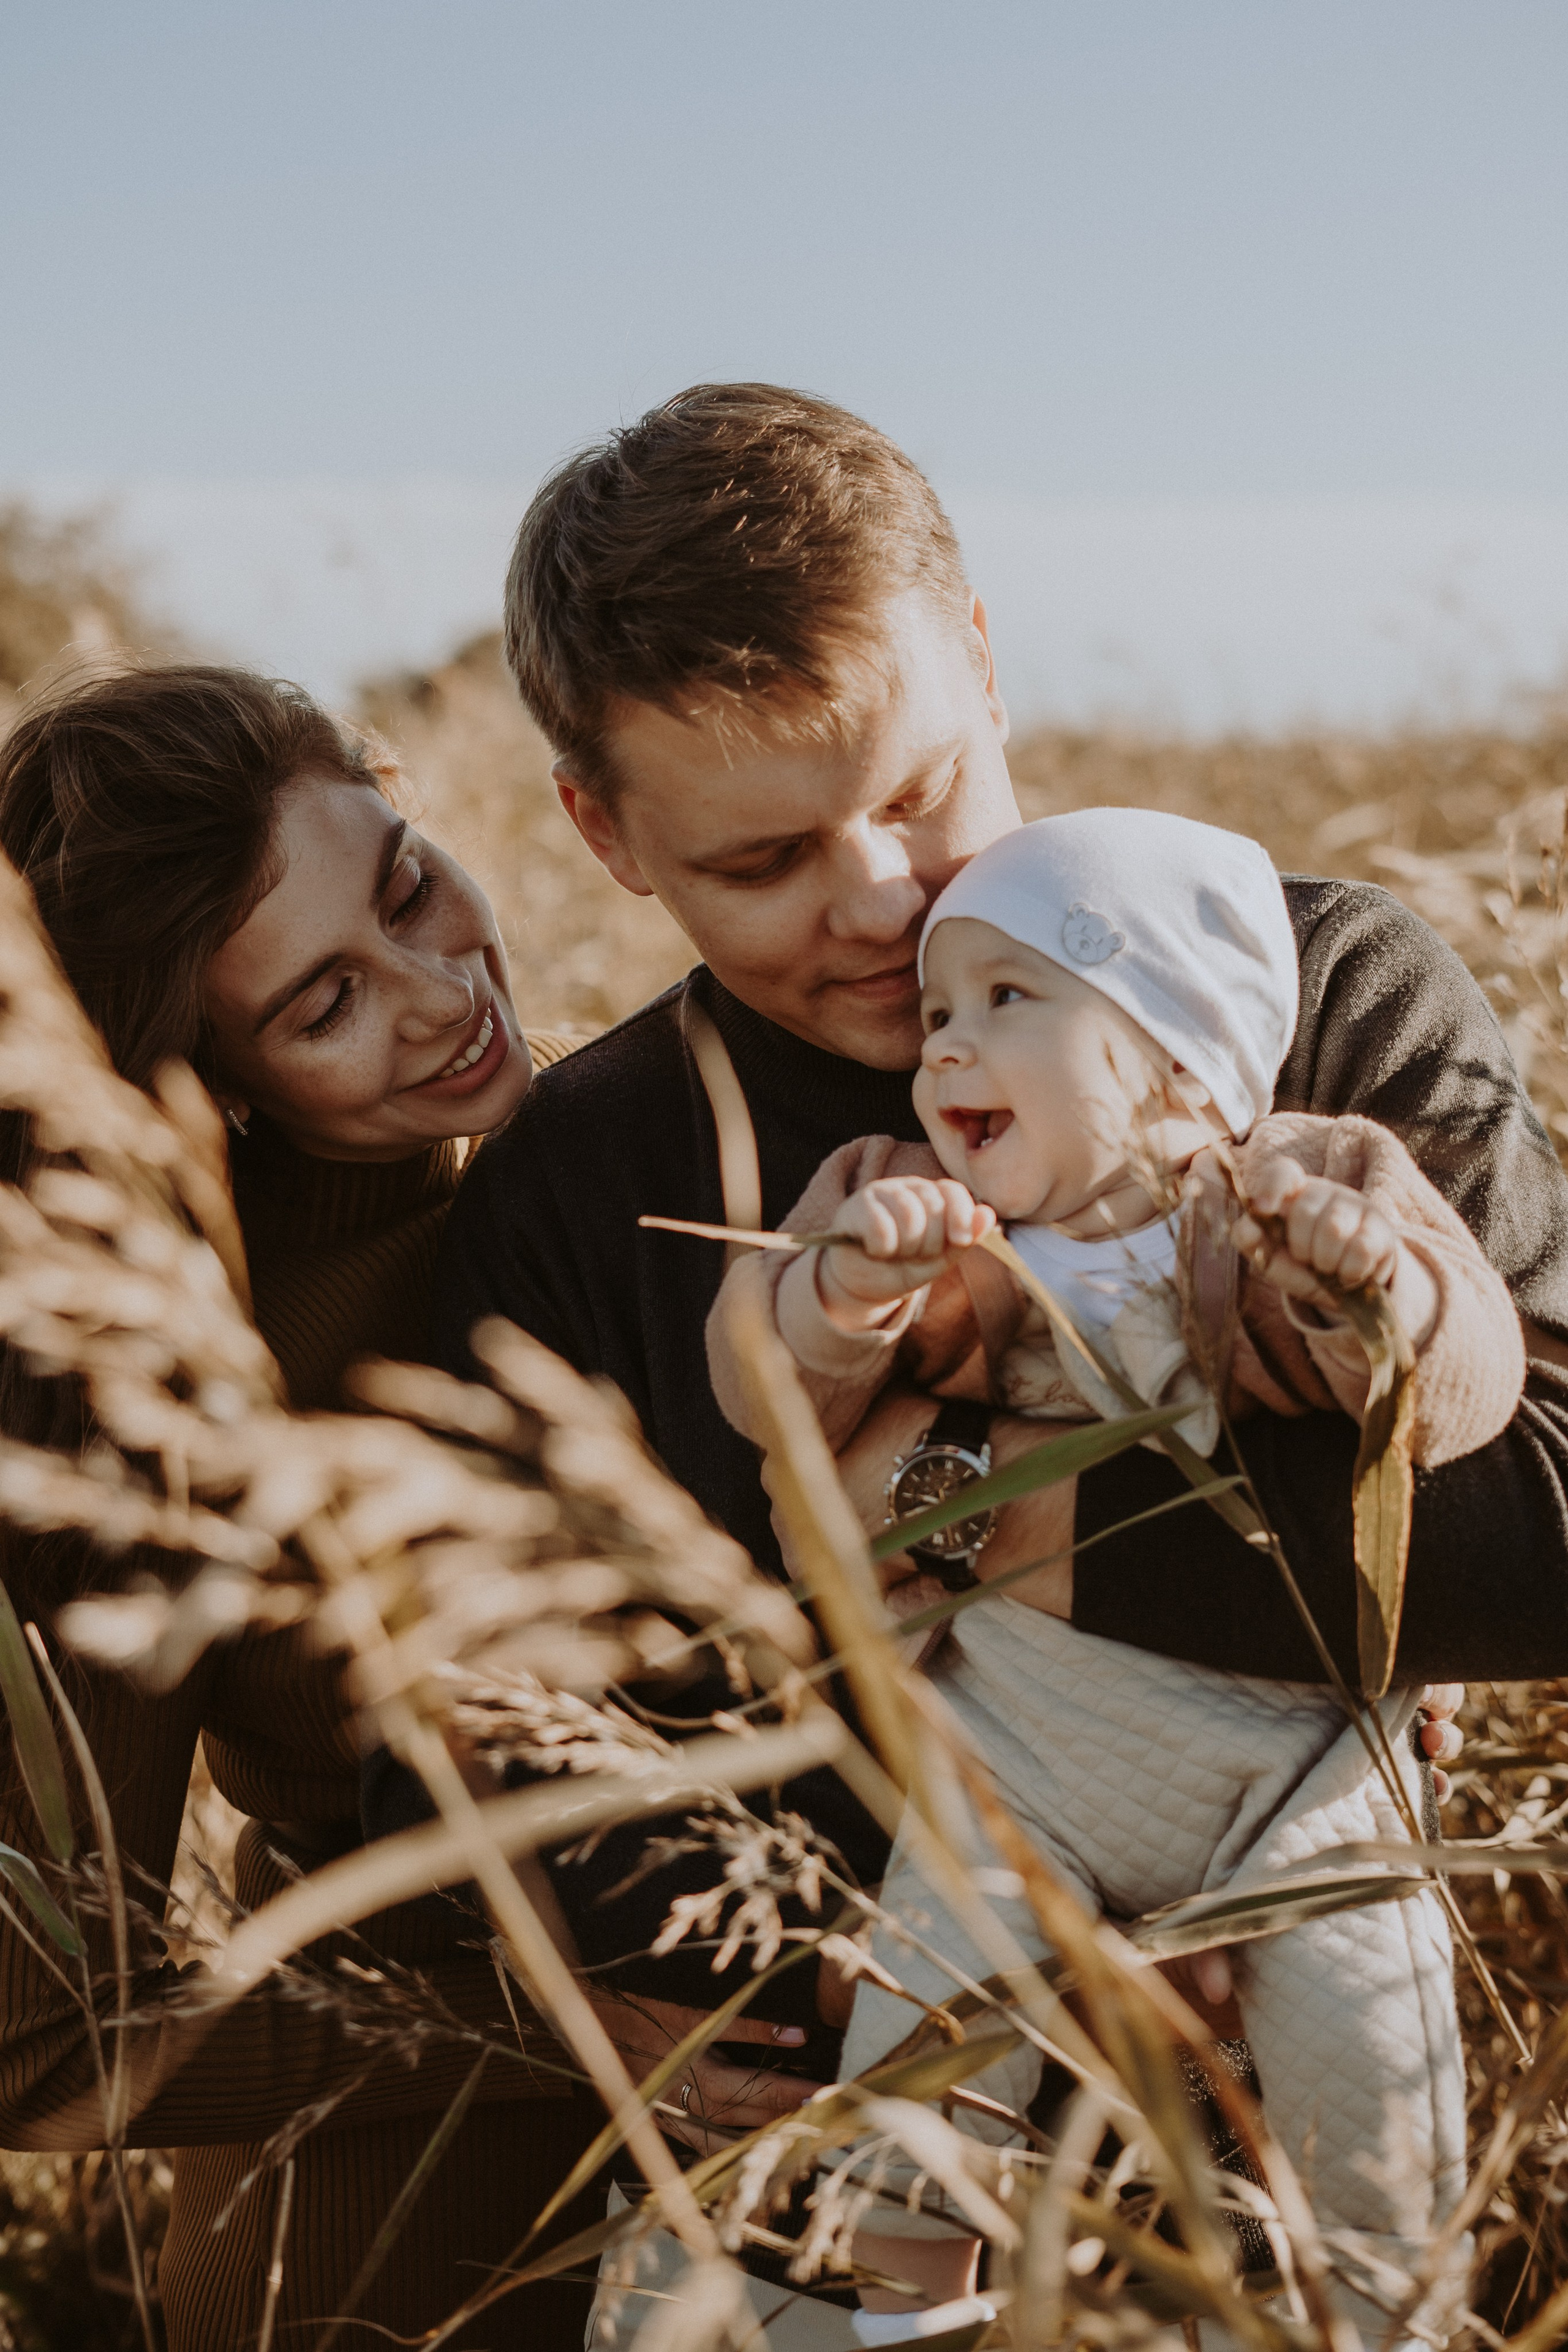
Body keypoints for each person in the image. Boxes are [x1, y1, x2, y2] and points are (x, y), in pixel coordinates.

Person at [415, 383, 1554, 2313]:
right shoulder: (587, 1180)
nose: (884, 903)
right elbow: (460, 1700)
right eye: (763, 865)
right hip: (842, 2138)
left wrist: (946, 1516)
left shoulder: (1315, 994)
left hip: (1276, 2123)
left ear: (988, 667)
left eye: (920, 792)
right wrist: (667, 1963)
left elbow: (1549, 1529)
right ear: (604, 837)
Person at [709, 808, 1523, 2343]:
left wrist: (1382, 1290)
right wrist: (838, 1291)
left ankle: (1377, 2315)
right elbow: (769, 1398)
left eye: (1009, 1001)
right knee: (924, 2039)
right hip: (1021, 1767)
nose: (946, 1050)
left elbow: (1463, 1404)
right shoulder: (927, 1217)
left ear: (1177, 1058)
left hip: (1295, 1779)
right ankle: (895, 2311)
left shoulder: (1299, 1178)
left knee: (1373, 2074)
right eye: (939, 1016)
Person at [0, 662, 688, 2350]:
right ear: (202, 1074)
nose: (441, 987)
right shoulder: (159, 1372)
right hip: (396, 2240)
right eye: (323, 1006)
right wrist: (550, 2020)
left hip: (816, 2161)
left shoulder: (670, 1140)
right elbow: (38, 2045)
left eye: (405, 883)